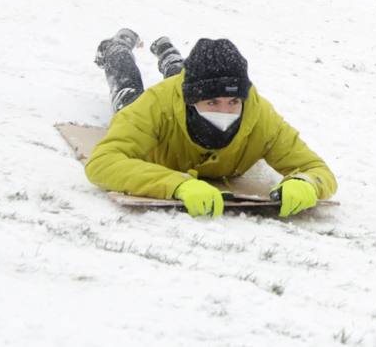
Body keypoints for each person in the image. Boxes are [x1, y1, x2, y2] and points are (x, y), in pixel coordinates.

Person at [87, 30, 336, 218]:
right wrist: (176, 185)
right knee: (128, 91)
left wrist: (307, 183)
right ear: (190, 100)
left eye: (233, 101)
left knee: (181, 74)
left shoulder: (260, 117)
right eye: (213, 102)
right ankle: (116, 48)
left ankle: (167, 52)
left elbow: (316, 169)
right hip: (159, 119)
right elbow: (102, 162)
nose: (225, 110)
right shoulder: (155, 105)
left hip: (188, 86)